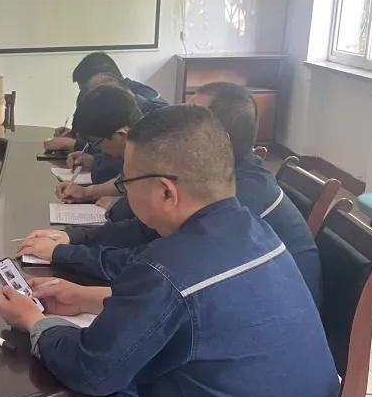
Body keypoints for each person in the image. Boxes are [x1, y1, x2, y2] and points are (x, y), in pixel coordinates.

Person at [0, 106, 357, 397]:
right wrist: (86, 299)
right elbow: (195, 309)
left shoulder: (167, 266)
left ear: (166, 192)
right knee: (120, 394)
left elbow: (92, 369)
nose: (124, 191)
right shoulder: (260, 233)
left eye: (126, 182)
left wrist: (34, 322)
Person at [23, 82, 323, 306]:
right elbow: (147, 234)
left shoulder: (235, 197)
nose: (177, 121)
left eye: (192, 117)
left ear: (217, 137)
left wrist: (68, 256)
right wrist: (71, 238)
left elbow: (158, 265)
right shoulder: (217, 177)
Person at [51, 85, 142, 204]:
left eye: (97, 144)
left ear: (120, 134)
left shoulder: (154, 156)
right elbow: (124, 182)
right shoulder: (139, 148)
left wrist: (118, 206)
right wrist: (85, 193)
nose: (101, 151)